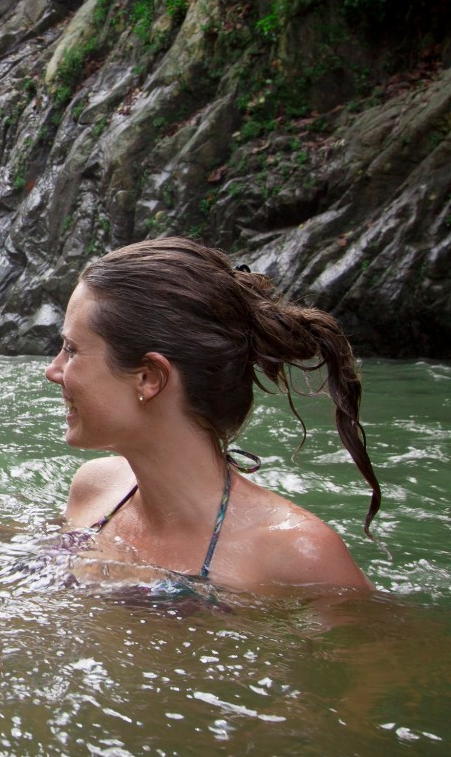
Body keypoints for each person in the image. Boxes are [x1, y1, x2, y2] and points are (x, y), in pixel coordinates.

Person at [45, 237, 381, 591]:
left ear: (149, 378)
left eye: (71, 349)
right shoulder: (94, 488)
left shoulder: (298, 554)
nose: (52, 370)